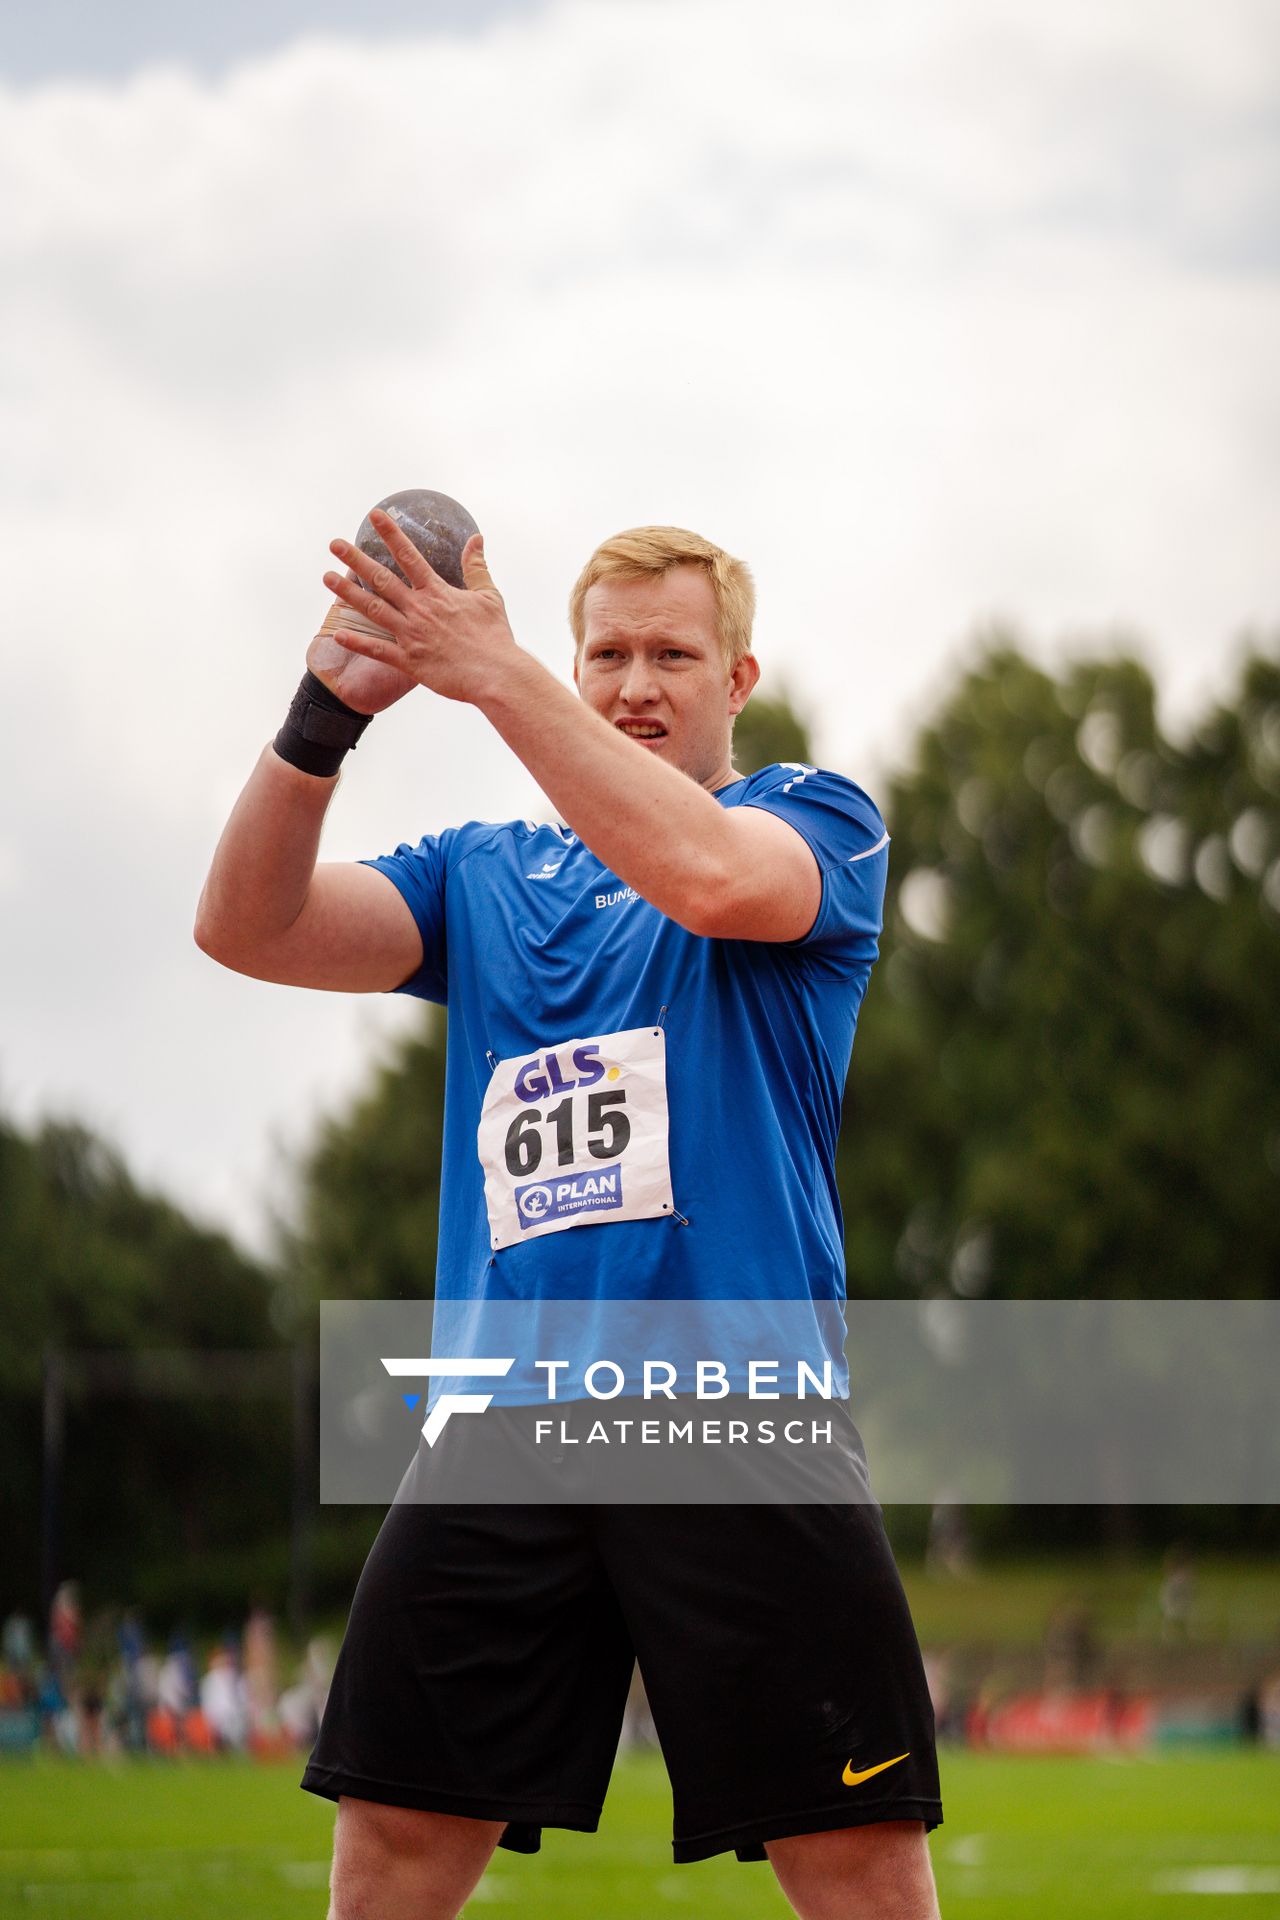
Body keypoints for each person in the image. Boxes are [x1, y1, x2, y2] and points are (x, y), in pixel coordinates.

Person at [195, 512, 943, 1920]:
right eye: (608, 652)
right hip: (501, 1432)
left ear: (741, 680)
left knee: (855, 1874)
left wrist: (492, 672)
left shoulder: (816, 823)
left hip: (731, 1416)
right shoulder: (487, 876)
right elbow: (248, 925)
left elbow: (714, 880)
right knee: (391, 1855)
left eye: (674, 652)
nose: (636, 681)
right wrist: (325, 713)